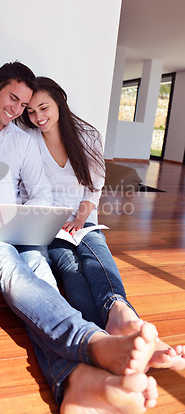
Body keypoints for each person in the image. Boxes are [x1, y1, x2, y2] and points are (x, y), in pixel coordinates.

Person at [0, 62, 159, 414]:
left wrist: (27, 217)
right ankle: (92, 341)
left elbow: (40, 191)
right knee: (9, 268)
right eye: (13, 98)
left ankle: (75, 383)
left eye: (24, 105)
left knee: (42, 277)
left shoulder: (22, 140)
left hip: (17, 229)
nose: (16, 110)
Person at [19, 75, 185, 379]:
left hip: (83, 219)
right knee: (69, 268)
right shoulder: (27, 141)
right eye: (31, 112)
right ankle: (126, 332)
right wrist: (52, 222)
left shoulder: (86, 136)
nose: (38, 117)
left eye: (43, 107)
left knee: (95, 254)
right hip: (49, 223)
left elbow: (93, 189)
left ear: (59, 101)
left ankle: (119, 313)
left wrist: (80, 219)